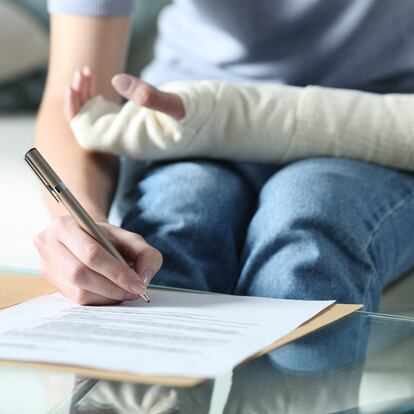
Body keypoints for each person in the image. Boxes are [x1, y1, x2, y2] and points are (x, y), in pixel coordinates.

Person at [36, 0, 414, 308]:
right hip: (186, 123)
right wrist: (85, 226)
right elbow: (77, 100)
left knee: (308, 238)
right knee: (171, 236)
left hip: (381, 127)